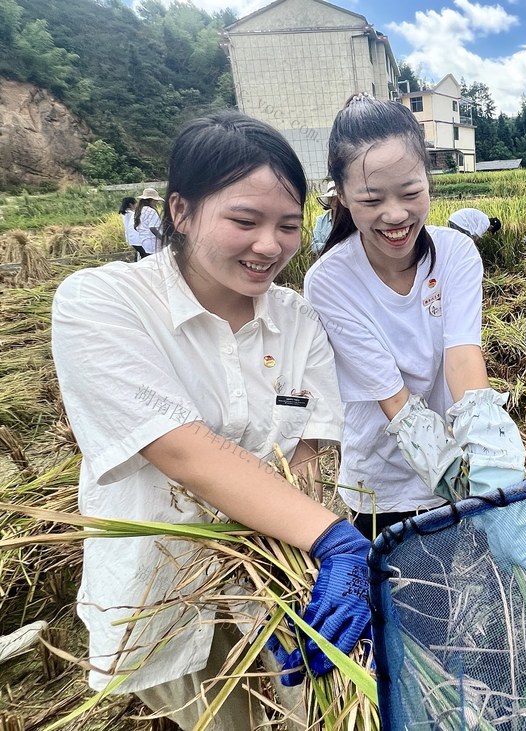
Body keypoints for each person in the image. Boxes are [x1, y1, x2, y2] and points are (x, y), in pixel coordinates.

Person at [51, 110, 368, 730]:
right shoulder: (102, 302)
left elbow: (310, 454)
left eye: (287, 225)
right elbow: (181, 450)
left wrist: (298, 565)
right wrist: (331, 536)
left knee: (318, 714)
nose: (269, 245)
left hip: (283, 582)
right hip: (163, 591)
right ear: (181, 211)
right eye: (244, 221)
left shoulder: (299, 320)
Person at [304, 94, 526, 593]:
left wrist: (493, 475)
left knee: (455, 596)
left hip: (458, 460)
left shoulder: (455, 253)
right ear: (341, 196)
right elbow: (391, 396)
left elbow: (463, 357)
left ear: (429, 181)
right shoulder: (330, 280)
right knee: (406, 608)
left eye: (410, 192)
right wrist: (452, 472)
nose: (395, 215)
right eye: (371, 200)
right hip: (382, 483)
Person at [133, 187, 163, 257]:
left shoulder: (140, 210)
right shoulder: (151, 211)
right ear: (151, 200)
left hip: (145, 242)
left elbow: (136, 226)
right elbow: (153, 228)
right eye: (156, 200)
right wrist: (164, 239)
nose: (157, 202)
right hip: (153, 242)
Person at [310, 180, 337, 255]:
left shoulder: (349, 220)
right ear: (329, 200)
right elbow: (314, 246)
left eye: (337, 198)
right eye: (332, 198)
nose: (335, 202)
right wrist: (332, 246)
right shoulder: (321, 220)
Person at [119, 196, 143, 260]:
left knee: (138, 254)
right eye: (136, 203)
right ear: (131, 204)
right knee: (142, 255)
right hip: (136, 237)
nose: (137, 205)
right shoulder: (132, 214)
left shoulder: (124, 214)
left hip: (130, 237)